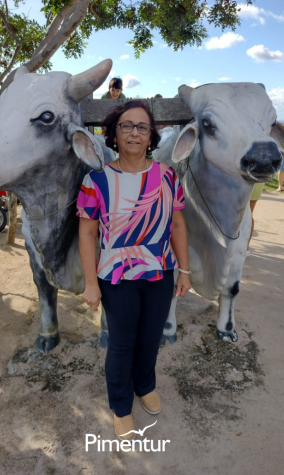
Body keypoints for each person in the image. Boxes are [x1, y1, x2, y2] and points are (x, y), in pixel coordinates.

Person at [76, 100, 191, 441]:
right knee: (122, 343)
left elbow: (178, 226)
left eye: (142, 127)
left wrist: (184, 270)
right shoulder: (96, 180)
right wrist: (90, 283)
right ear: (114, 133)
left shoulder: (168, 176)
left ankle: (145, 385)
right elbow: (87, 232)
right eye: (126, 125)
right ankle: (121, 407)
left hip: (160, 272)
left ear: (151, 136)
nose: (135, 133)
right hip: (116, 277)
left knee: (150, 338)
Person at [247, 182, 265, 256]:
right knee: (249, 214)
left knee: (248, 215)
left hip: (248, 180)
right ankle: (246, 247)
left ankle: (245, 247)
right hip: (258, 179)